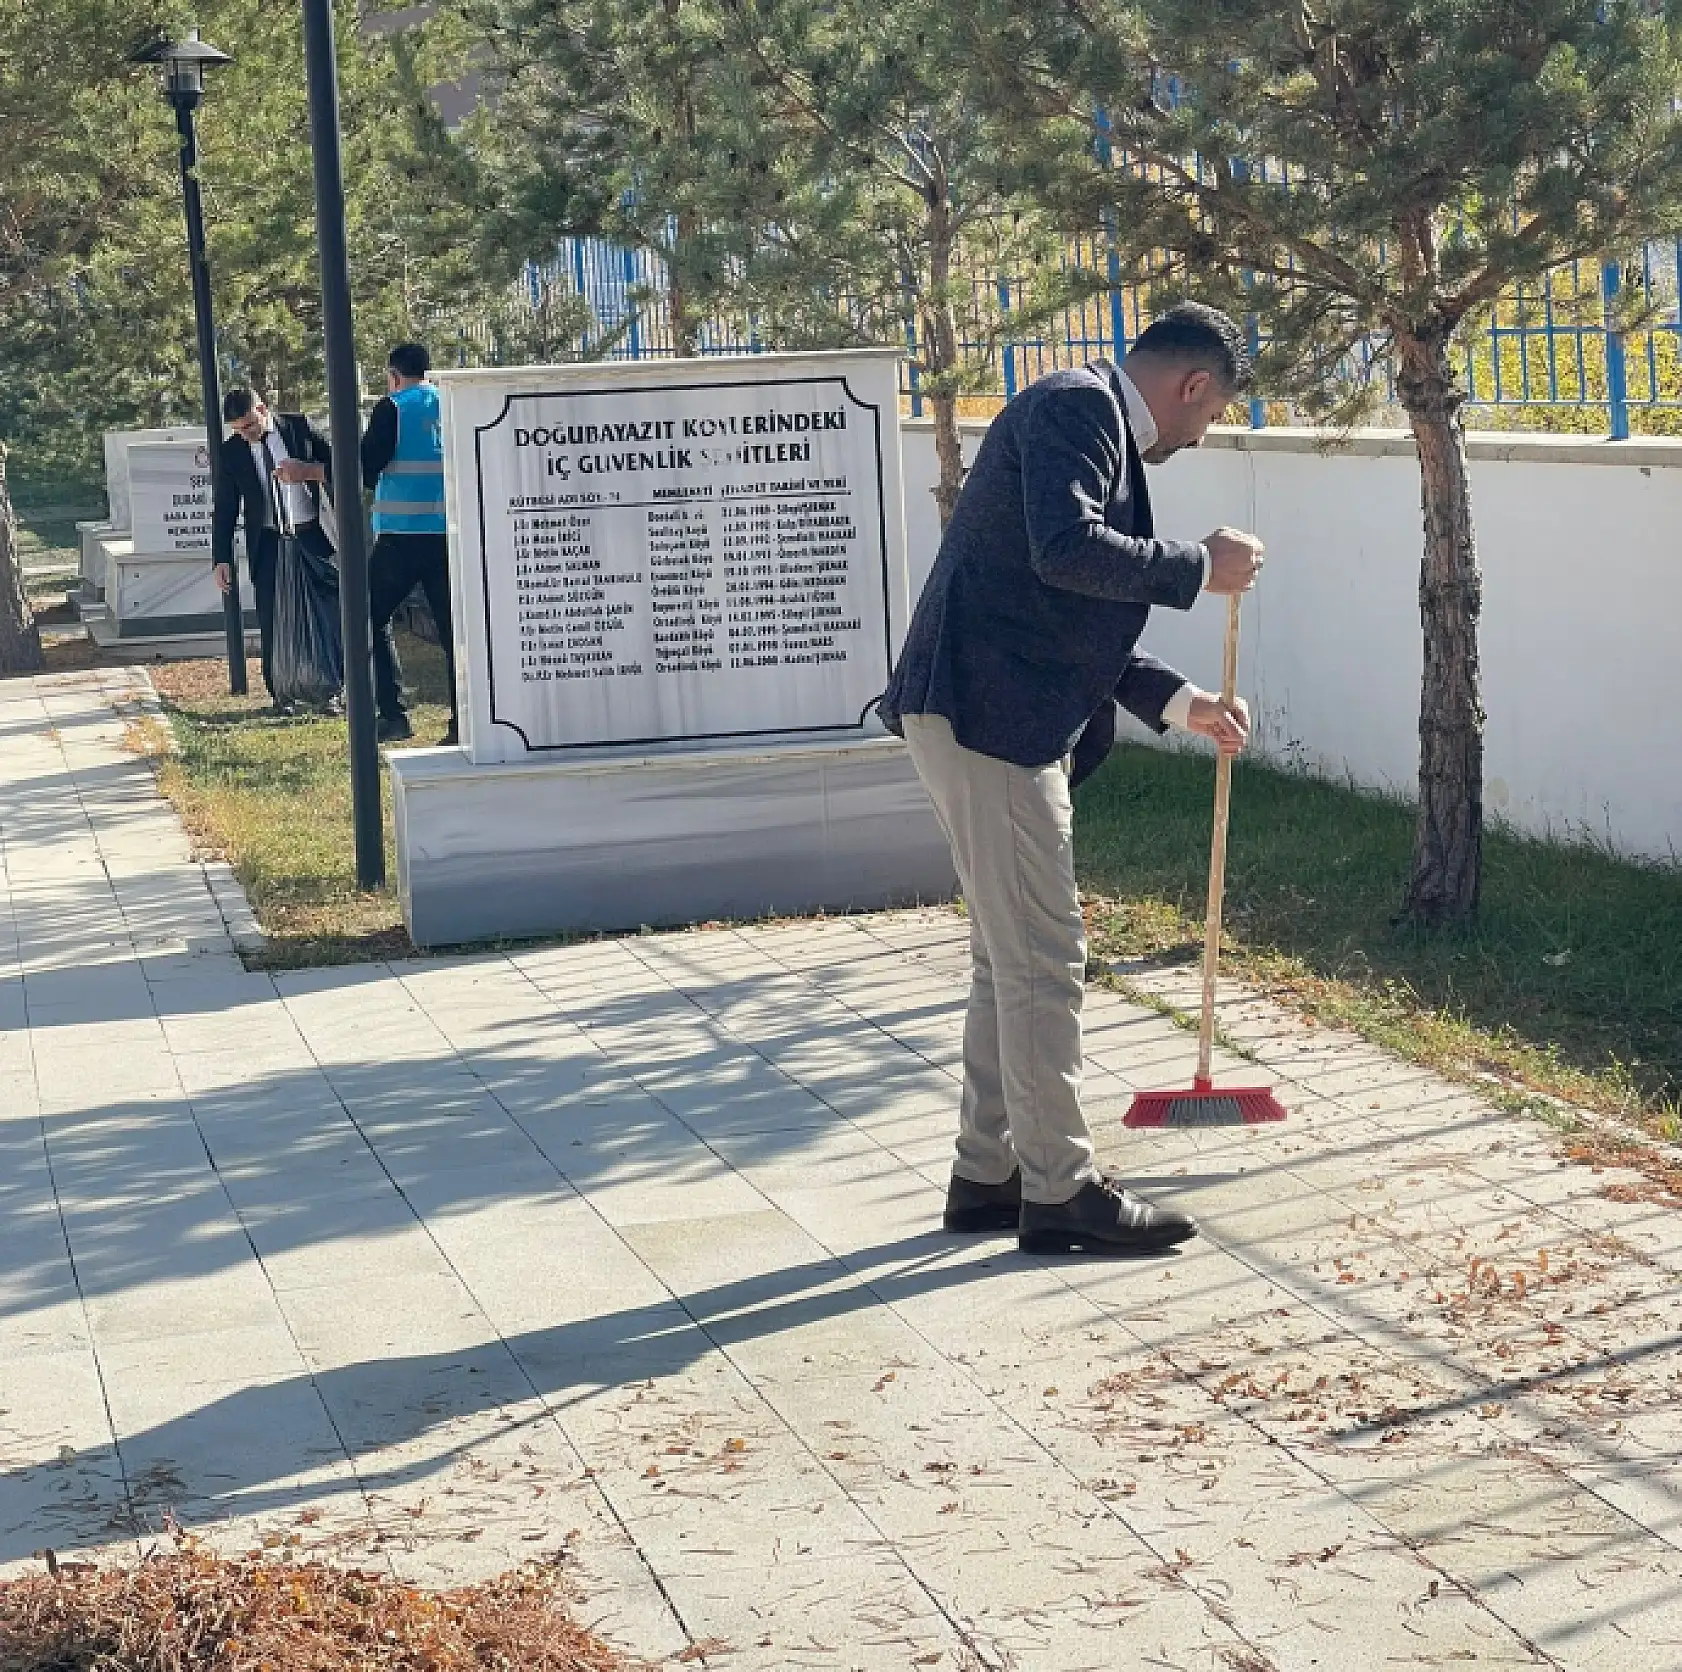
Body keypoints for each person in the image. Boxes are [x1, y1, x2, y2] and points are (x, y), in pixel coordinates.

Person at [876, 301, 1266, 1257]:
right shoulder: (1078, 411)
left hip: (983, 709)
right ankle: (1060, 1191)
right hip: (989, 720)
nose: (1199, 433)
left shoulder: (1080, 414)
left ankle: (989, 1173)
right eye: (1208, 417)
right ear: (1194, 386)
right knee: (1045, 962)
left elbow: (1057, 602)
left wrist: (1180, 703)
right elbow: (1068, 550)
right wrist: (1197, 567)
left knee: (1006, 960)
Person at [211, 389, 338, 712]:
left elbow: (337, 464)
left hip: (312, 534)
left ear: (263, 410)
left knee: (328, 612)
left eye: (250, 425)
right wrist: (221, 558)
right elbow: (225, 508)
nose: (246, 434)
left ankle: (333, 687)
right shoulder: (231, 453)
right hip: (268, 541)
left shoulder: (298, 428)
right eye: (238, 429)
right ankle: (280, 692)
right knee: (272, 616)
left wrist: (308, 472)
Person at [361, 342, 457, 745]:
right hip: (447, 537)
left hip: (399, 539)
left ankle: (394, 714)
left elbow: (366, 468)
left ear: (393, 374)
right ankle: (463, 723)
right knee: (456, 633)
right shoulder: (450, 403)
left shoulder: (392, 408)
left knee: (366, 618)